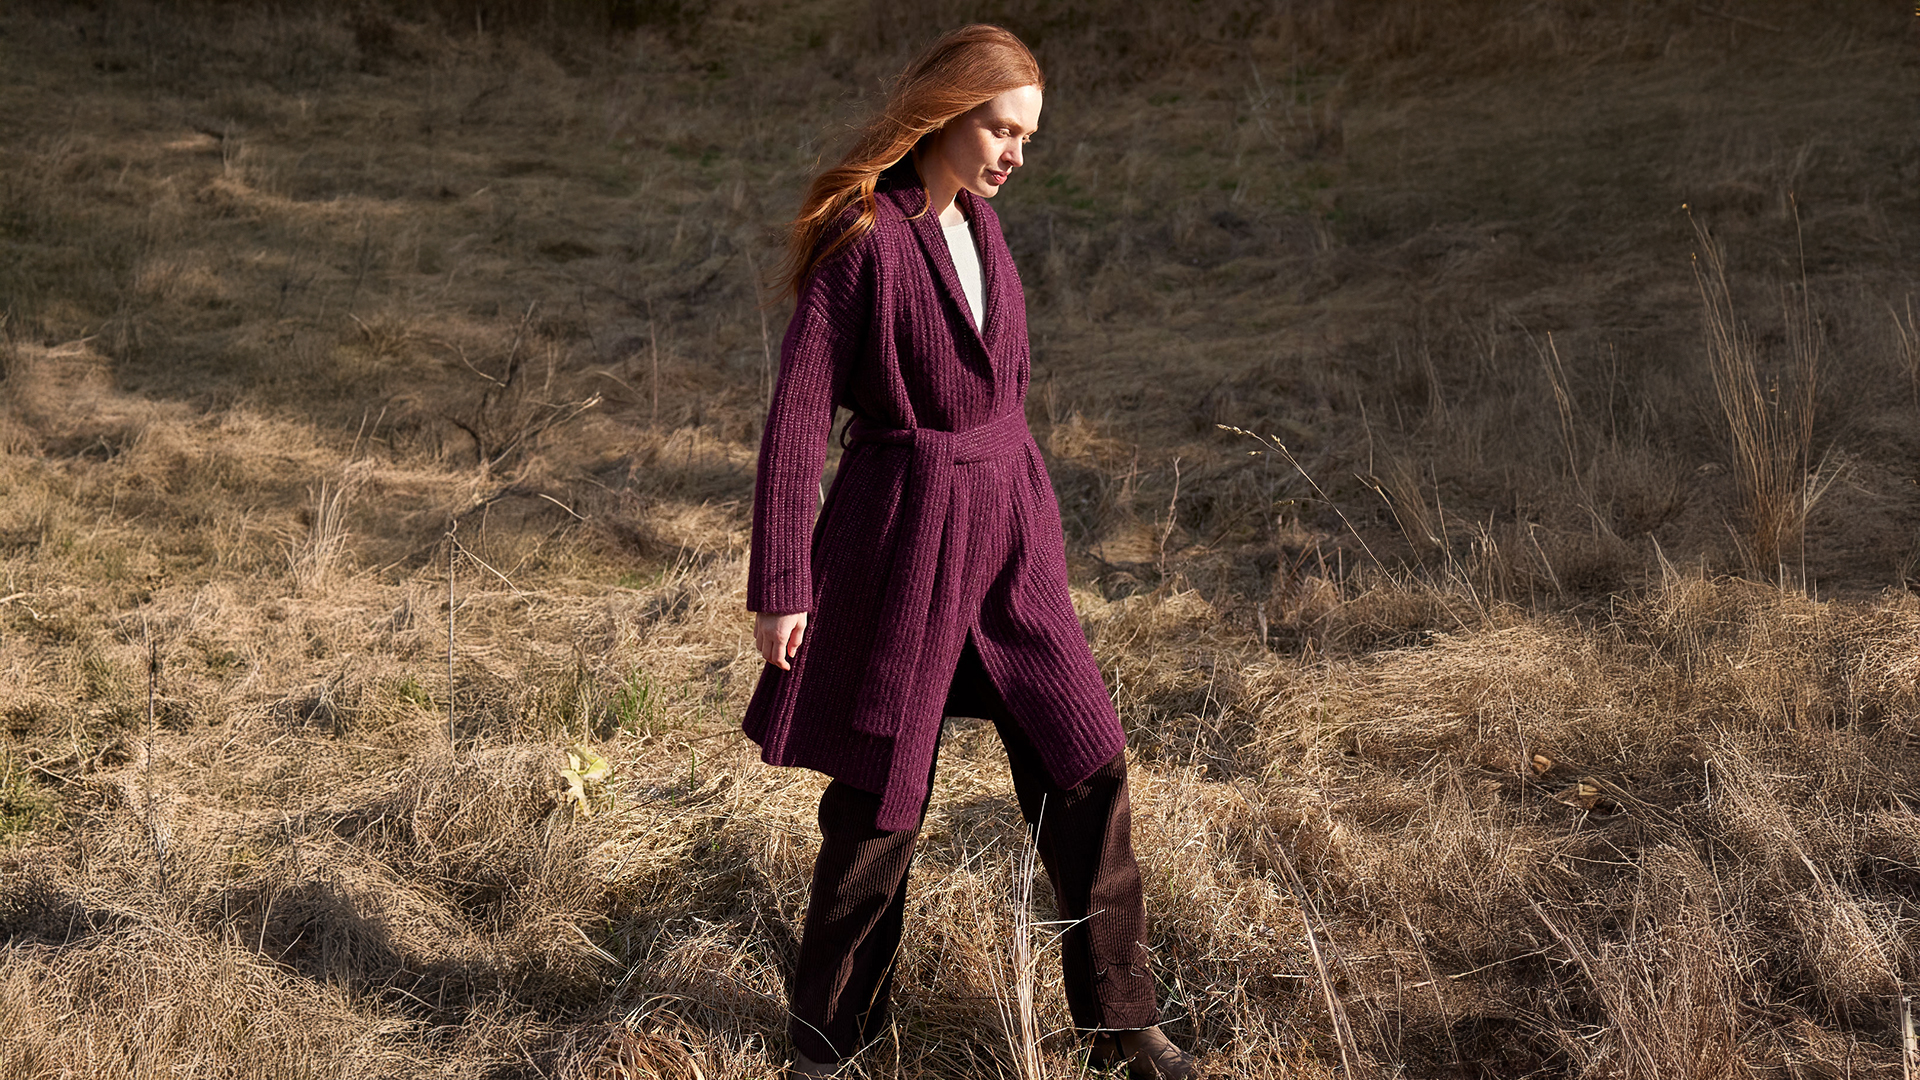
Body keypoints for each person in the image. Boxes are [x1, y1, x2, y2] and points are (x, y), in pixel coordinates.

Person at [744, 24, 1197, 1080]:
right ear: (946, 111)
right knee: (878, 803)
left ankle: (1123, 1022)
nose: (1015, 155)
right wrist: (780, 581)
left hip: (1008, 543)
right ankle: (828, 1049)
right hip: (898, 545)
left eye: (1027, 136)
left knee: (1087, 760)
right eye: (1002, 127)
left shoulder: (984, 232)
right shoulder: (865, 236)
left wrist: (1029, 529)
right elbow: (799, 413)